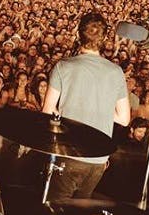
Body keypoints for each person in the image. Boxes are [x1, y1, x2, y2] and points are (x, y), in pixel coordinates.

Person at [42, 12, 130, 201]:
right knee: (78, 213)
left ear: (77, 34)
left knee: (54, 212)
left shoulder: (63, 66)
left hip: (69, 154)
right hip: (98, 160)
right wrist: (101, 109)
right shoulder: (116, 72)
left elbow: (47, 110)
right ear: (105, 38)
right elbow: (124, 118)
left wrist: (70, 112)